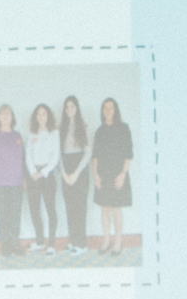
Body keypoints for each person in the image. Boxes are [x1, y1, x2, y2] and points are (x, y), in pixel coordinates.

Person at [93, 97, 134, 255]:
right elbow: (95, 155)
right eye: (105, 108)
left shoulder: (123, 128)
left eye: (111, 107)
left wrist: (123, 174)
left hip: (118, 174)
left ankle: (117, 243)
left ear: (115, 110)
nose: (108, 110)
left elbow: (128, 153)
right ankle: (106, 242)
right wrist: (96, 175)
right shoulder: (100, 131)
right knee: (105, 209)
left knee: (116, 209)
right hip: (103, 174)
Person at [0, 104, 26, 257]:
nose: (5, 116)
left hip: (16, 183)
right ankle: (6, 245)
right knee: (3, 215)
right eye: (2, 113)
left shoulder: (17, 136)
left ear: (12, 117)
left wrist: (24, 178)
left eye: (8, 113)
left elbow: (22, 159)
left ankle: (15, 243)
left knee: (15, 215)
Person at [23, 103, 60, 250]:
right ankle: (39, 241)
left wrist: (43, 172)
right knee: (34, 210)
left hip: (47, 175)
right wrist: (33, 172)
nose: (41, 117)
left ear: (48, 116)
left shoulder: (54, 132)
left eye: (44, 114)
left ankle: (51, 244)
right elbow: (28, 155)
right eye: (38, 114)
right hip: (33, 176)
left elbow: (55, 157)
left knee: (51, 210)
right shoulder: (32, 133)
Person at [58, 95, 92, 253]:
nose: (69, 110)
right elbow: (59, 153)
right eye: (67, 107)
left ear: (77, 108)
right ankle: (73, 240)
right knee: (70, 207)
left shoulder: (83, 127)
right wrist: (64, 173)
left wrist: (76, 173)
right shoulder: (61, 129)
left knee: (80, 207)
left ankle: (81, 244)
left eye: (72, 106)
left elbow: (88, 152)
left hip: (80, 169)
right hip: (66, 168)